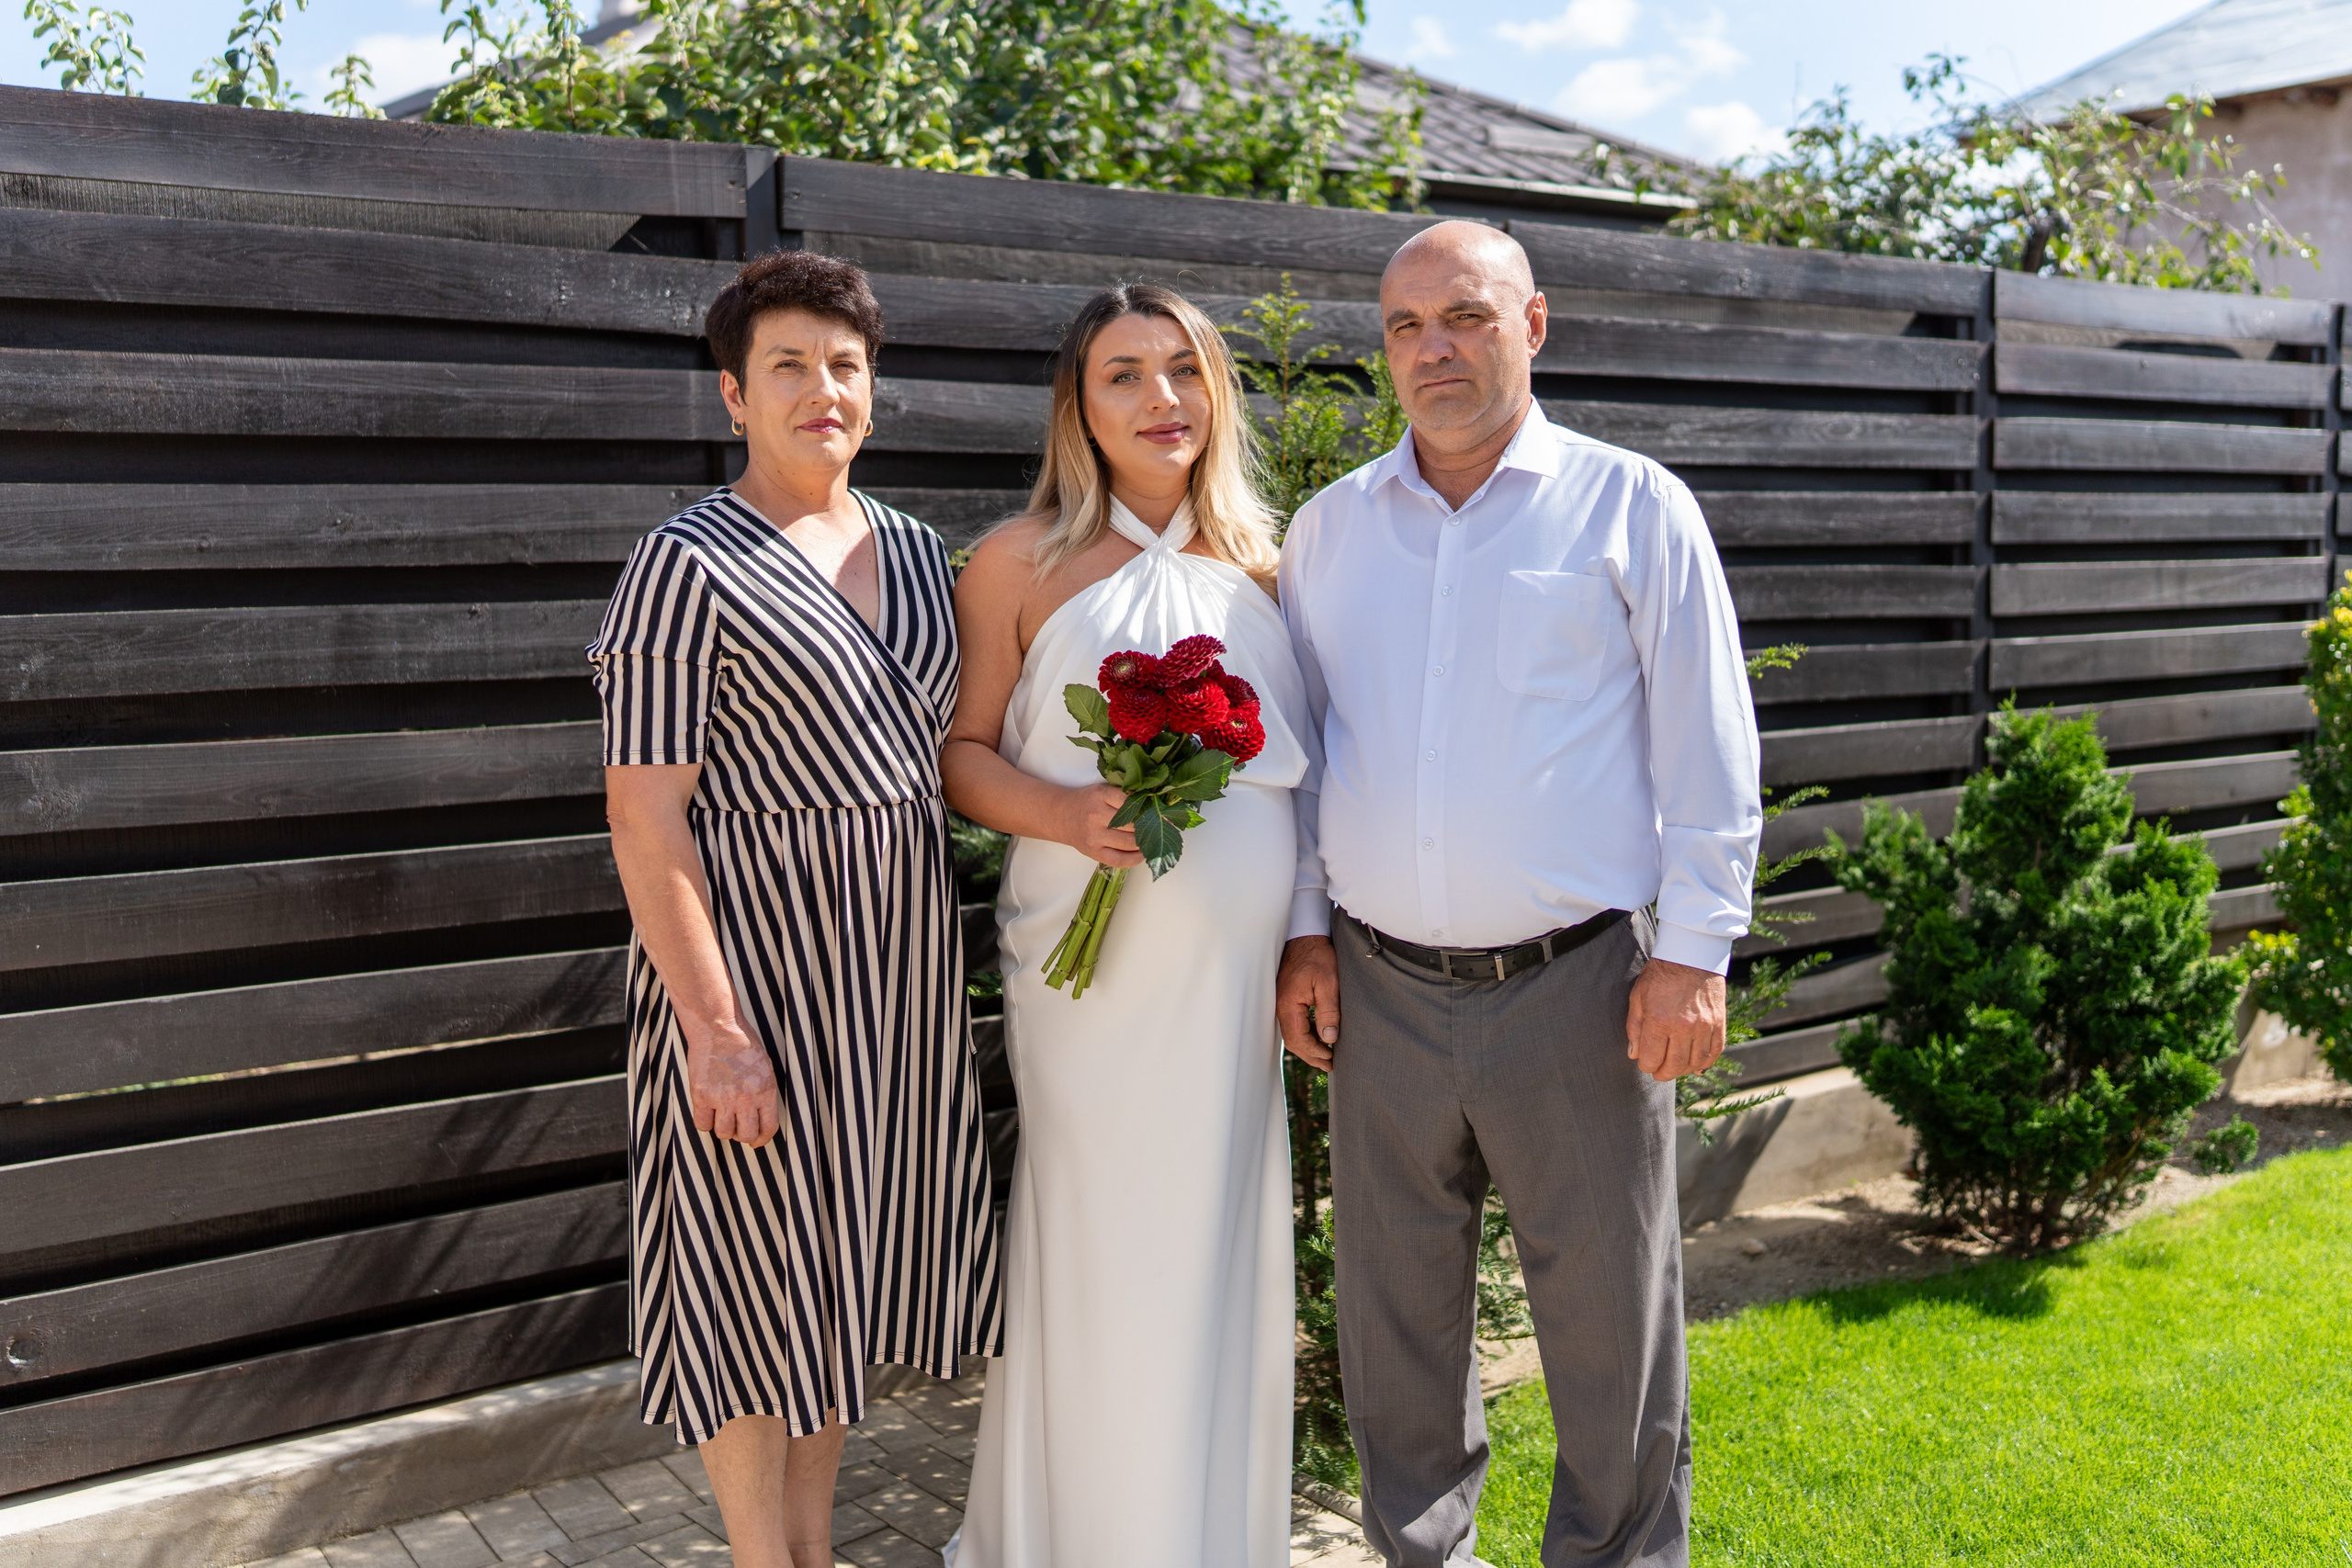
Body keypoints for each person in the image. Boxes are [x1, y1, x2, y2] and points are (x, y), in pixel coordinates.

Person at [1274, 221, 1761, 1568]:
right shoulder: (1329, 532)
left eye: (1467, 317)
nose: (1435, 348)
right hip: (1375, 991)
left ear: (1532, 325)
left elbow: (1708, 746)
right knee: (1394, 1326)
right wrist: (1306, 939)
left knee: (1613, 1329)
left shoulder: (1631, 507)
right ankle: (1427, 1557)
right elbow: (1312, 762)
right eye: (1406, 326)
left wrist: (1698, 951)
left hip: (1582, 989)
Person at [590, 250, 1001, 1568]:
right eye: (789, 367)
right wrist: (714, 1028)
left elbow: (947, 754)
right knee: (750, 1286)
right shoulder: (684, 562)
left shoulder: (925, 555)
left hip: (892, 986)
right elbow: (644, 818)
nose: (822, 389)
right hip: (750, 982)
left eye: (844, 365)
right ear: (733, 397)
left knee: (837, 1289)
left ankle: (815, 1554)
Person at [940, 283, 1306, 1567]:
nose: (1162, 400)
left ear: (1218, 392)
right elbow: (963, 756)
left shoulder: (1270, 565)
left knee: (1216, 1240)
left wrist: (1304, 935)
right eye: (1124, 377)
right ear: (1078, 411)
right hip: (1086, 976)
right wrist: (1062, 807)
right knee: (1102, 1243)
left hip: (1228, 990)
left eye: (1184, 371)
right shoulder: (1016, 562)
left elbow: (1316, 782)